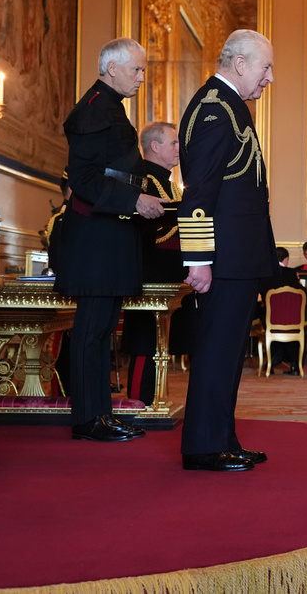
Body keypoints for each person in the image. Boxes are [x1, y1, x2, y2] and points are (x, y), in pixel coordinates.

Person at [54, 38, 166, 443]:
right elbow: (83, 180)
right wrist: (135, 198)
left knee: (103, 332)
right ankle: (88, 420)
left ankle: (101, 414)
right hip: (95, 238)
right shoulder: (94, 109)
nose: (140, 77)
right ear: (111, 67)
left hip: (109, 233)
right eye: (136, 69)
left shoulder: (107, 106)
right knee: (92, 331)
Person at [179, 29, 278, 472]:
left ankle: (222, 437)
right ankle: (203, 446)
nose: (269, 78)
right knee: (217, 351)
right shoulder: (215, 110)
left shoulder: (230, 108)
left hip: (238, 259)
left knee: (229, 353)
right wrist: (197, 259)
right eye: (265, 67)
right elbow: (199, 190)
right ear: (240, 64)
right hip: (222, 260)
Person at [122, 121, 183, 406]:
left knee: (158, 344)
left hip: (167, 276)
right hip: (148, 274)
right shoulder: (143, 181)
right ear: (155, 147)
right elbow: (152, 232)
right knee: (144, 344)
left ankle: (153, 402)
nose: (178, 148)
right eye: (173, 143)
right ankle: (137, 404)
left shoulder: (170, 185)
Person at [259, 246, 304, 376]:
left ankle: (271, 363)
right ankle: (295, 365)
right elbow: (301, 293)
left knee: (265, 319)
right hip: (292, 322)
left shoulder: (265, 274)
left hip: (271, 321)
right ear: (286, 259)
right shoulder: (291, 273)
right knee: (296, 326)